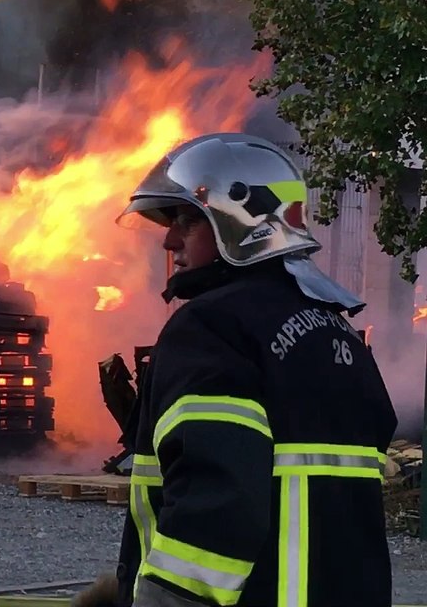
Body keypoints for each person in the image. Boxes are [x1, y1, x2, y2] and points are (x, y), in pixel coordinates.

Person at [71, 133, 397, 607]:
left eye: (187, 220)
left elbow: (217, 505)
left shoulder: (211, 328)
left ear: (242, 223)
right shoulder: (340, 334)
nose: (169, 239)